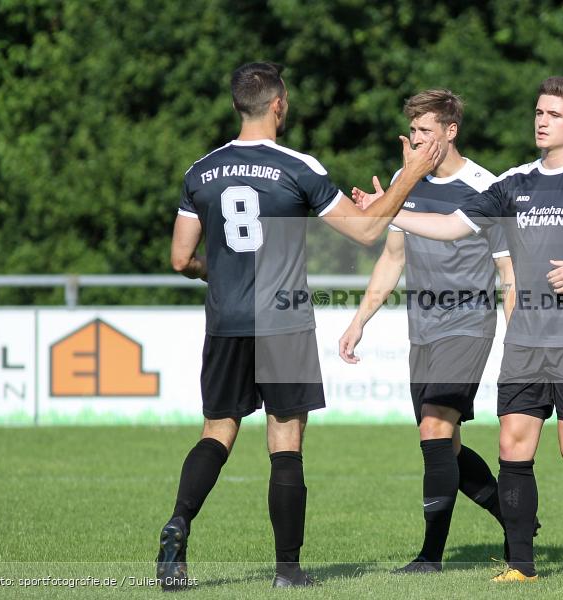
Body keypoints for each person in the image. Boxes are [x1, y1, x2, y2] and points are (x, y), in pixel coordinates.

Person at [156, 61, 442, 590]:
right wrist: (411, 175)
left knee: (217, 431)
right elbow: (366, 230)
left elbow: (180, 259)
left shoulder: (201, 171)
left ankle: (178, 523)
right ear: (278, 104)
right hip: (283, 321)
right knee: (285, 443)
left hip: (227, 321)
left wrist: (218, 271)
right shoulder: (297, 167)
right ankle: (288, 571)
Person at [381, 76, 563, 581]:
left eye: (553, 114)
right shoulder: (513, 184)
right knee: (512, 444)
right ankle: (521, 566)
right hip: (526, 338)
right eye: (538, 112)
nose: (541, 121)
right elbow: (449, 227)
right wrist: (392, 210)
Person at [338, 90, 517, 573]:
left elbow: (508, 273)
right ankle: (516, 519)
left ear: (450, 131)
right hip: (423, 329)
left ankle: (429, 558)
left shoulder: (487, 188)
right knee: (447, 446)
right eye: (412, 130)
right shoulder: (403, 179)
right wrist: (359, 320)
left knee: (434, 428)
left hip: (468, 325)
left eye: (425, 130)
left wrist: (516, 335)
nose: (416, 139)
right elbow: (392, 256)